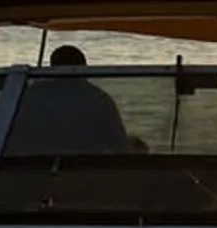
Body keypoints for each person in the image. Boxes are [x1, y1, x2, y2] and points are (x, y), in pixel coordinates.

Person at [8, 43, 136, 154]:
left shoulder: (27, 97)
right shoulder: (98, 99)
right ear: (84, 68)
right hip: (81, 173)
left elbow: (9, 140)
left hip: (26, 171)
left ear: (52, 68)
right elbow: (118, 146)